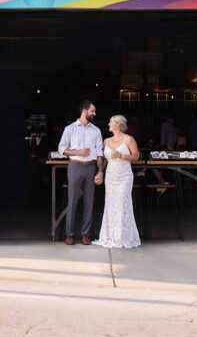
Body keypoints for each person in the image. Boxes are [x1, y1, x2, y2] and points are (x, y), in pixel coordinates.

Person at [57, 99, 104, 245]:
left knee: (89, 202)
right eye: (92, 111)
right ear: (84, 111)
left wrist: (100, 171)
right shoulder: (70, 129)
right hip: (75, 166)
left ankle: (85, 234)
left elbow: (100, 153)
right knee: (72, 201)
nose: (94, 114)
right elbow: (61, 148)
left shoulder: (96, 131)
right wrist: (78, 151)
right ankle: (69, 234)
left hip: (91, 167)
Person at [93, 115, 141, 249]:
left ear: (118, 124)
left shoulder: (128, 139)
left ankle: (123, 237)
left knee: (122, 204)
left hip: (124, 176)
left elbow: (136, 156)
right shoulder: (106, 141)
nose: (108, 124)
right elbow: (103, 159)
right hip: (110, 176)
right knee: (110, 205)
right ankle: (110, 236)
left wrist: (122, 156)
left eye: (111, 122)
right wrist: (100, 172)